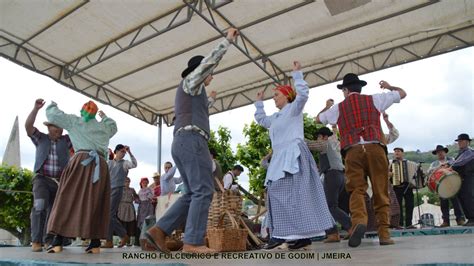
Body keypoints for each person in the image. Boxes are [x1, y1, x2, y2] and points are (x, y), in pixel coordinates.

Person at [145, 28, 239, 254]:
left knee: (191, 193)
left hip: (183, 142)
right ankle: (193, 242)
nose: (211, 75)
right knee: (204, 191)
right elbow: (208, 64)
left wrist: (212, 99)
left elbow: (201, 110)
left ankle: (158, 231)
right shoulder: (190, 80)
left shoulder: (194, 92)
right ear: (199, 71)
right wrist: (226, 42)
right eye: (208, 72)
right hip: (191, 140)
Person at [316, 73, 406, 247]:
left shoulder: (338, 108)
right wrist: (389, 86)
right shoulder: (375, 99)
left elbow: (318, 119)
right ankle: (384, 235)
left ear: (345, 90)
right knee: (380, 191)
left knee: (356, 190)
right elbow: (402, 93)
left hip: (352, 151)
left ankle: (359, 223)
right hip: (376, 149)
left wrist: (326, 106)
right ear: (359, 88)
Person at [255, 61, 333, 250]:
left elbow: (303, 95)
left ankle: (282, 235)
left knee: (291, 194)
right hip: (280, 157)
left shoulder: (294, 109)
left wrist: (297, 76)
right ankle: (297, 236)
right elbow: (262, 120)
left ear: (286, 95)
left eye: (276, 95)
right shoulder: (276, 117)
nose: (273, 98)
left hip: (293, 156)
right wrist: (259, 103)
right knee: (278, 193)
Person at [45, 100, 117, 254]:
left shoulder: (74, 121)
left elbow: (53, 116)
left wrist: (52, 105)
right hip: (100, 165)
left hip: (81, 162)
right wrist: (104, 116)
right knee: (95, 202)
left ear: (82, 111)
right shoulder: (104, 127)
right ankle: (95, 243)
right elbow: (113, 126)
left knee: (67, 198)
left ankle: (58, 241)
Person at [25, 99, 73, 252]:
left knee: (55, 212)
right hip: (42, 179)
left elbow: (80, 139)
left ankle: (49, 241)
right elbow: (28, 127)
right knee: (39, 206)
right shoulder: (41, 138)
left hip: (60, 182)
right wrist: (35, 109)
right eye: (56, 126)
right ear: (49, 127)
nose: (59, 129)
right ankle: (36, 241)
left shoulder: (66, 140)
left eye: (61, 127)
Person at [306, 126, 351, 243]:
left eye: (319, 136)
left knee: (329, 206)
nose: (318, 139)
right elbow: (335, 134)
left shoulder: (325, 144)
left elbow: (311, 145)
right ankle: (333, 233)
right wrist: (335, 129)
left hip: (331, 175)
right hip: (340, 176)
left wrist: (296, 137)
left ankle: (350, 227)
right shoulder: (335, 142)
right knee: (331, 206)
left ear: (324, 136)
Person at [103, 144, 137, 248]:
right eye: (122, 151)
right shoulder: (109, 162)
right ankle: (110, 240)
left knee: (109, 214)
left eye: (124, 152)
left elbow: (134, 164)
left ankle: (121, 235)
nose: (123, 153)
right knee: (109, 215)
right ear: (116, 152)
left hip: (118, 189)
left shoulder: (125, 163)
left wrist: (130, 152)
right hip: (108, 189)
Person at [428, 145, 465, 227]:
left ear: (444, 152)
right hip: (440, 185)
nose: (440, 153)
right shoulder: (434, 164)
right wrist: (439, 168)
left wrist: (447, 166)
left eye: (441, 151)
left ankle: (460, 219)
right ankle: (445, 221)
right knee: (444, 204)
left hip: (452, 184)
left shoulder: (451, 160)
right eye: (438, 152)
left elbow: (457, 166)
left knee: (456, 202)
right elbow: (429, 172)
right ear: (437, 154)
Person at [390, 147, 418, 229]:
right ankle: (399, 224)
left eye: (398, 151)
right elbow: (386, 172)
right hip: (396, 187)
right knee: (398, 206)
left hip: (408, 186)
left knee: (410, 205)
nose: (396, 153)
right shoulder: (391, 163)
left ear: (402, 153)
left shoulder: (409, 163)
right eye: (395, 151)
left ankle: (409, 224)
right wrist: (390, 174)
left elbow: (415, 173)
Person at [451, 133, 474, 226]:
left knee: (469, 198)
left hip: (469, 178)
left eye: (461, 141)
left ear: (467, 142)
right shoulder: (461, 153)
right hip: (461, 179)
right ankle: (469, 218)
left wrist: (450, 165)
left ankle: (472, 218)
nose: (459, 143)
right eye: (458, 141)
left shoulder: (469, 152)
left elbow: (460, 163)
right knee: (463, 198)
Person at [117, 177, 139, 246]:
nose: (127, 183)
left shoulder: (132, 190)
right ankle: (122, 239)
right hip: (122, 206)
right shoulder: (120, 189)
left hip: (129, 207)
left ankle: (128, 241)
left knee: (130, 224)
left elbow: (136, 197)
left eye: (128, 181)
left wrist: (138, 200)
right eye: (125, 181)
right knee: (121, 223)